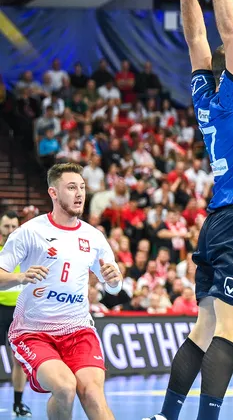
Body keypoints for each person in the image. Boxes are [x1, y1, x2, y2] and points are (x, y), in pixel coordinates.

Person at [146, 0, 233, 420]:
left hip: (217, 222)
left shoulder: (205, 93)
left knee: (204, 327)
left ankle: (166, 416)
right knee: (231, 329)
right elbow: (229, 31)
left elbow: (195, 35)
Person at [0, 163, 123, 420]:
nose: (79, 194)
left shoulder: (94, 237)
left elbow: (113, 285)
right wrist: (20, 277)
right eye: (71, 187)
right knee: (65, 387)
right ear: (53, 193)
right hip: (34, 331)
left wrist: (114, 279)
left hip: (78, 330)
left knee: (92, 393)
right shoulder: (29, 232)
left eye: (82, 187)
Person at [0, 211, 32, 417]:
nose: (10, 230)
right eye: (6, 227)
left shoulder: (25, 251)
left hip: (19, 311)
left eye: (14, 226)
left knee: (19, 360)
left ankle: (18, 404)